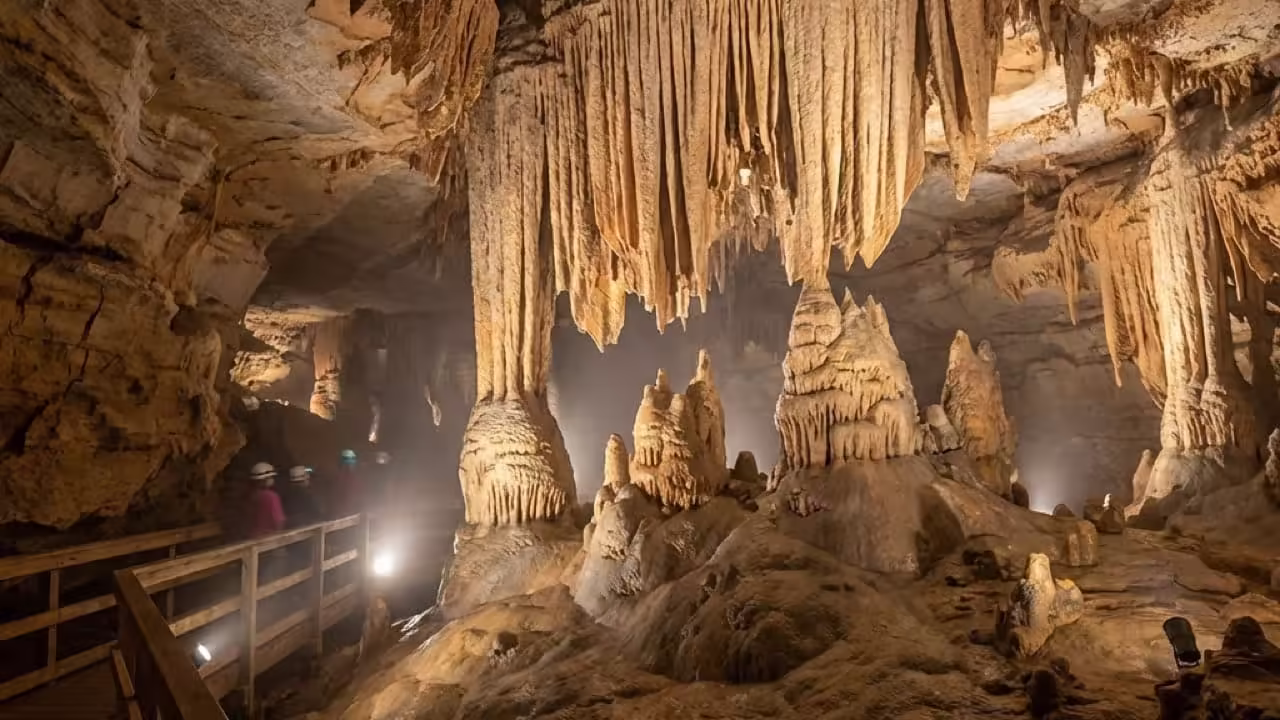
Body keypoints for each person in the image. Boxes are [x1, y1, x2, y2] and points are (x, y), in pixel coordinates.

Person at [248, 462, 285, 538]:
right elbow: (278, 521)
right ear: (265, 479)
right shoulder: (272, 496)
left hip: (254, 537)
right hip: (270, 538)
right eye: (271, 477)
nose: (272, 480)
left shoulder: (252, 496)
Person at [329, 449, 364, 518]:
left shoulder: (355, 478)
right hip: (342, 515)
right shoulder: (337, 479)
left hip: (351, 514)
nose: (349, 467)